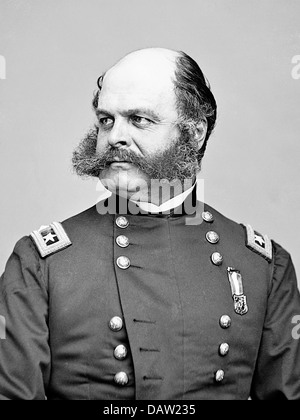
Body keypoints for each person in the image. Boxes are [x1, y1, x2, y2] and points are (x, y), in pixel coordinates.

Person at [0, 48, 300, 400]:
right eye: (106, 120)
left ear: (194, 133)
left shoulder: (263, 267)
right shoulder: (40, 263)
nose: (114, 137)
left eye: (139, 119)